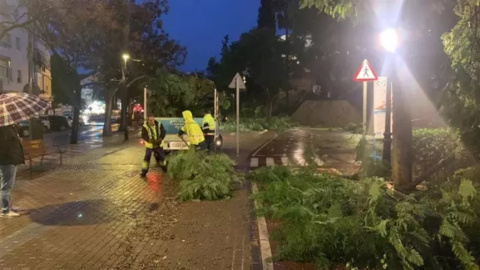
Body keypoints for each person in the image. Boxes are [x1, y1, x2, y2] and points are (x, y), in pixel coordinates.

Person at [0, 124, 24, 217]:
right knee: (6, 186)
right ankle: (5, 210)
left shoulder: (9, 127)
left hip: (9, 159)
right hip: (7, 160)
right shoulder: (4, 128)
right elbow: (5, 145)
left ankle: (6, 206)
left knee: (5, 185)